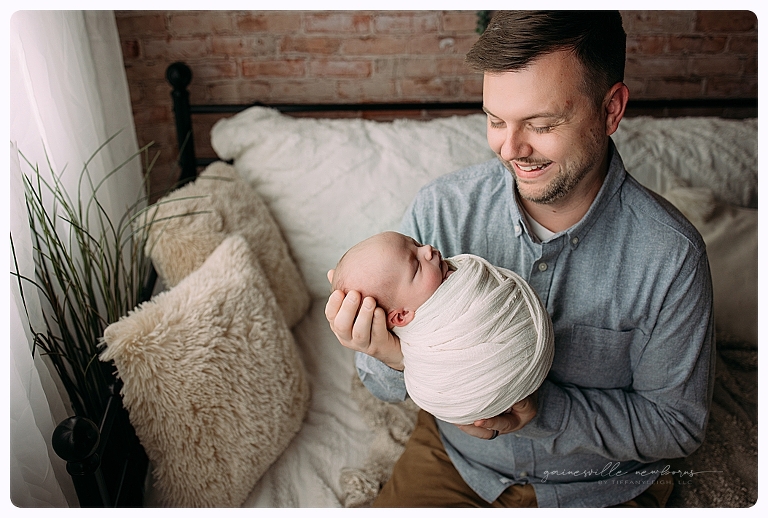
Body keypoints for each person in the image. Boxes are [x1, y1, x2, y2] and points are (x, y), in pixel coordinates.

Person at [325, 10, 714, 508]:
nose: (510, 149)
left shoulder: (670, 257)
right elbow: (382, 385)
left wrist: (540, 411)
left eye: (542, 123)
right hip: (458, 460)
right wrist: (383, 356)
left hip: (599, 485)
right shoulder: (442, 209)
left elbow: (677, 427)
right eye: (494, 120)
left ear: (611, 109)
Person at [330, 230, 554, 425]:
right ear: (402, 316)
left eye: (416, 243)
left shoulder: (450, 272)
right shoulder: (414, 339)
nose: (427, 249)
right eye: (416, 265)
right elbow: (381, 386)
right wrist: (394, 359)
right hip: (455, 442)